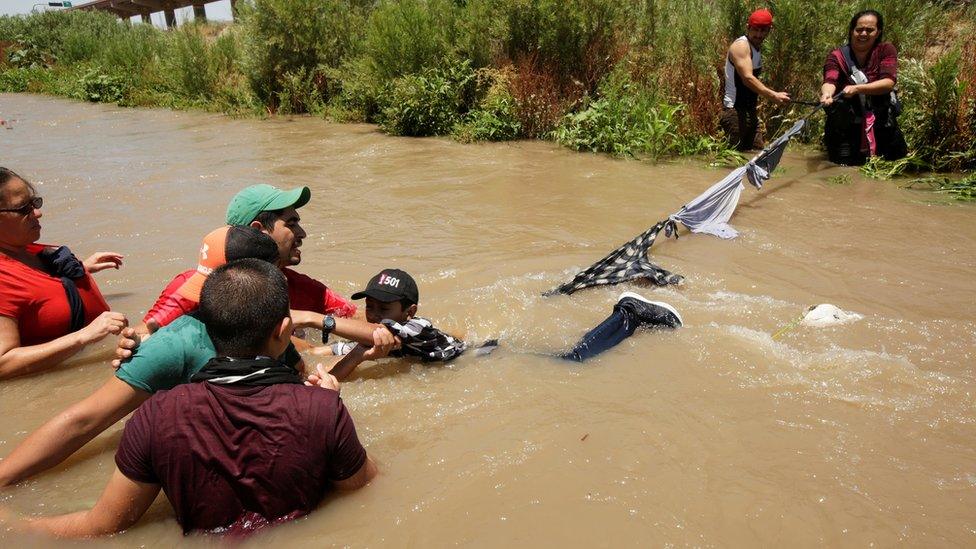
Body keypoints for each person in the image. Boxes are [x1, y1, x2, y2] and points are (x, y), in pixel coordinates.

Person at [0, 226, 394, 487]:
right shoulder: (177, 343)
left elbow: (302, 384)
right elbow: (83, 421)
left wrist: (356, 355)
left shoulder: (270, 336)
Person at [12, 259, 377, 537]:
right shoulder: (321, 409)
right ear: (284, 331)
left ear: (205, 328)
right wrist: (333, 402)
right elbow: (362, 486)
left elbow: (104, 524)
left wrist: (18, 523)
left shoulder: (156, 415)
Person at [138, 183, 357, 334]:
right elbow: (143, 333)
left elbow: (356, 318)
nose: (302, 233)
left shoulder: (301, 287)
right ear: (259, 230)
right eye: (291, 224)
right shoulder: (194, 287)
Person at [0, 167, 127, 379]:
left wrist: (79, 272)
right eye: (23, 209)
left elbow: (32, 294)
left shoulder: (25, 251)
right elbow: (3, 364)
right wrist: (83, 336)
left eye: (35, 203)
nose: (37, 212)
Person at [312, 269, 467, 379]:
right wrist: (357, 356)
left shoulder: (418, 327)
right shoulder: (372, 338)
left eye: (384, 308)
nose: (373, 315)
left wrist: (311, 318)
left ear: (410, 312)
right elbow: (321, 360)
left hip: (468, 356)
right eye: (369, 306)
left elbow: (376, 330)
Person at [820, 9, 906, 165]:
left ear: (878, 32)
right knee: (842, 169)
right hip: (846, 128)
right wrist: (827, 94)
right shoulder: (837, 56)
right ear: (852, 31)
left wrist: (858, 89)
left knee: (895, 164)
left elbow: (888, 82)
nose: (863, 34)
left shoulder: (886, 50)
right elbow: (830, 80)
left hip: (882, 124)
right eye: (859, 29)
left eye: (869, 30)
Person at [719, 8, 791, 151]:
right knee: (733, 162)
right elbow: (747, 78)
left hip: (750, 112)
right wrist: (773, 95)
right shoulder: (741, 46)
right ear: (748, 27)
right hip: (734, 111)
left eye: (763, 31)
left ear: (769, 30)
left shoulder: (756, 48)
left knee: (758, 155)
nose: (758, 35)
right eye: (755, 30)